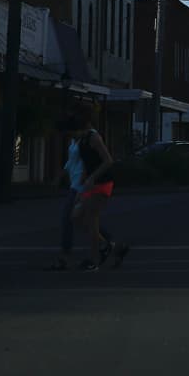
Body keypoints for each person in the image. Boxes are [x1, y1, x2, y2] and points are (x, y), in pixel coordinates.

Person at [56, 110, 129, 271]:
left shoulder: (93, 138)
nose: (72, 138)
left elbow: (108, 160)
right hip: (88, 184)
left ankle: (94, 260)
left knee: (91, 221)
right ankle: (111, 246)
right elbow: (86, 164)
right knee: (76, 217)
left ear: (80, 130)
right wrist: (83, 180)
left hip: (102, 183)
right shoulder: (80, 141)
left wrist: (92, 177)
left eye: (73, 134)